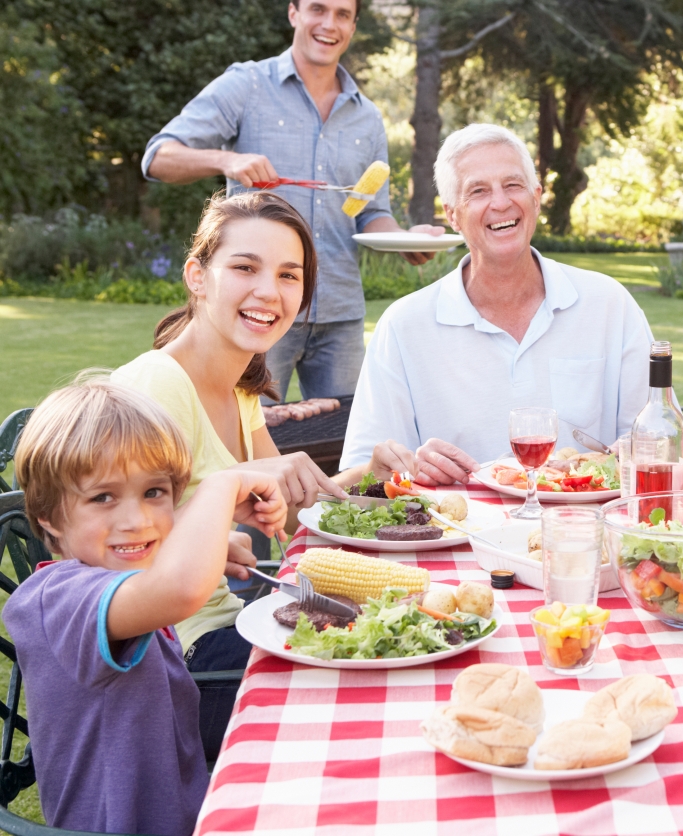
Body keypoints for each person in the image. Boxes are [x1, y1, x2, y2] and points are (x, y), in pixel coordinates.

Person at [113, 190, 346, 760]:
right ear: (198, 275)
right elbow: (112, 555)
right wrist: (217, 518)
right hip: (177, 667)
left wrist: (373, 477)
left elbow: (291, 514)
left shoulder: (241, 389)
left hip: (229, 628)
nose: (269, 291)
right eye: (245, 267)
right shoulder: (156, 386)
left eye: (289, 276)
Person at [4, 377, 286, 835]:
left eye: (154, 492)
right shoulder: (59, 599)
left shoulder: (119, 580)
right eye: (102, 497)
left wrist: (201, 539)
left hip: (192, 810)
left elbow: (157, 553)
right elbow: (178, 592)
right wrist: (222, 485)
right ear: (49, 517)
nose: (136, 521)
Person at [142, 0, 444, 403]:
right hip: (257, 307)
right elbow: (158, 158)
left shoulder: (367, 118)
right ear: (293, 13)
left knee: (344, 445)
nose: (328, 24)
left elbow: (370, 212)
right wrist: (227, 159)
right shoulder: (247, 85)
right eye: (318, 9)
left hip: (339, 314)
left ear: (353, 26)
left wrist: (406, 239)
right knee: (246, 442)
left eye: (342, 15)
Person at [339, 124, 654, 484]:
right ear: (453, 214)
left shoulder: (610, 304)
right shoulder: (403, 326)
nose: (500, 203)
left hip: (580, 530)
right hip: (454, 535)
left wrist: (609, 460)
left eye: (513, 185)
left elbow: (655, 439)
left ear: (536, 197)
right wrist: (407, 466)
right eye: (478, 191)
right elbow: (367, 472)